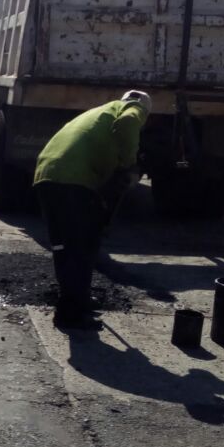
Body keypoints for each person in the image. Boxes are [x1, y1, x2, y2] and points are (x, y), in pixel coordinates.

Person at [33, 91, 151, 329]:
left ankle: (72, 300)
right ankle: (72, 313)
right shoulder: (132, 109)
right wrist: (131, 166)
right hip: (74, 181)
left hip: (46, 176)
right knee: (82, 247)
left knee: (62, 246)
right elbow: (127, 124)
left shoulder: (99, 112)